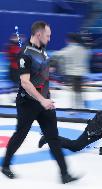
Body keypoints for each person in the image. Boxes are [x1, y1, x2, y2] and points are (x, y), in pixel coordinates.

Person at [1, 21, 78, 184]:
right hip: (28, 103)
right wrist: (42, 99)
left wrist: (51, 86)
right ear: (38, 34)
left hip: (45, 102)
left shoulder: (42, 51)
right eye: (48, 35)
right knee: (20, 135)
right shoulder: (25, 54)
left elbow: (41, 73)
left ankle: (65, 174)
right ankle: (5, 165)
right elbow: (25, 82)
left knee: (53, 138)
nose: (50, 38)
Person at [53, 33, 89, 109]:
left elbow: (56, 55)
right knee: (78, 90)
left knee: (74, 91)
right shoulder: (84, 49)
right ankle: (80, 106)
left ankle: (75, 107)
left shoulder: (68, 49)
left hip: (72, 74)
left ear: (70, 40)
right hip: (82, 73)